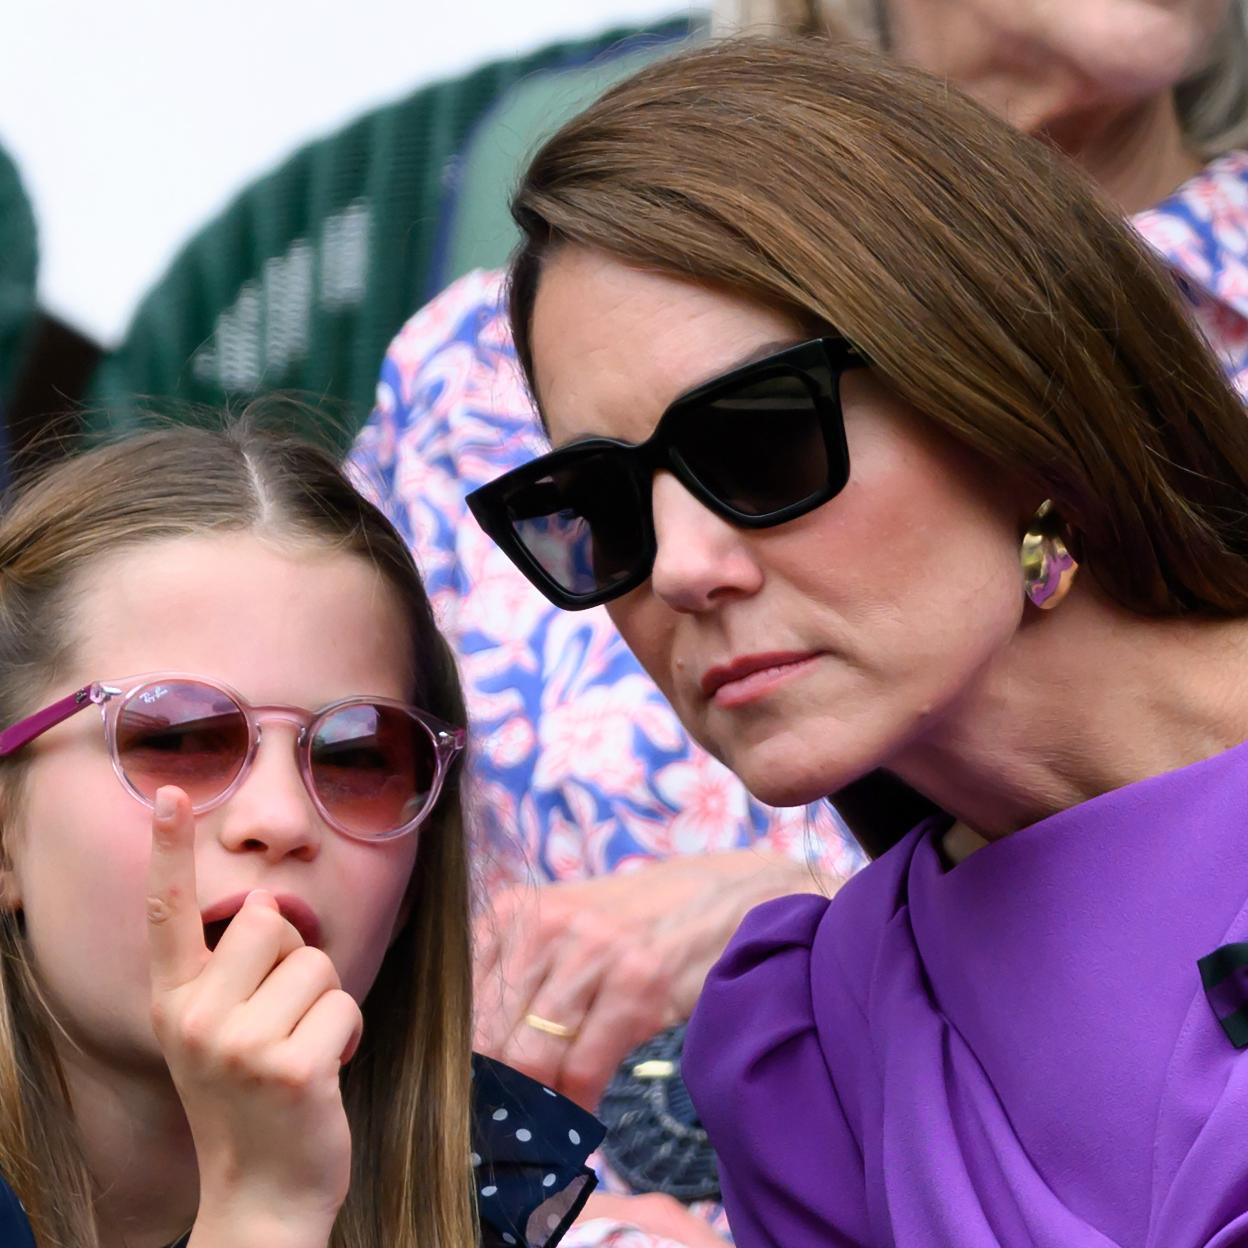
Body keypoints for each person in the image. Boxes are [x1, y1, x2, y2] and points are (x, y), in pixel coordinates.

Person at [348, 0, 1248, 1241]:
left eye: (759, 440)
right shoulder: (813, 1052)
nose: (678, 569)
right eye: (597, 508)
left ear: (1010, 399)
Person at [0, 418, 601, 1248]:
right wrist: (263, 1214)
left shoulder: (494, 1197)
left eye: (361, 755)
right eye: (177, 737)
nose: (281, 819)